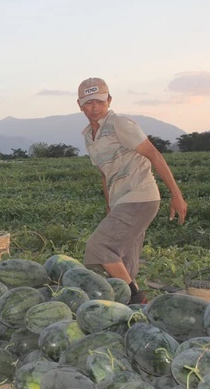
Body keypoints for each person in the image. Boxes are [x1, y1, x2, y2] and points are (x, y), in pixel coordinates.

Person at [77, 77, 188, 304]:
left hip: (140, 197)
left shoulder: (120, 124)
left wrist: (176, 195)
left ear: (109, 100)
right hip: (122, 202)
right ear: (80, 105)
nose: (94, 108)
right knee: (123, 259)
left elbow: (154, 155)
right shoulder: (89, 136)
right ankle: (132, 311)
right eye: (88, 103)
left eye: (99, 101)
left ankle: (136, 298)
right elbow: (104, 173)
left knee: (98, 246)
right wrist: (110, 207)